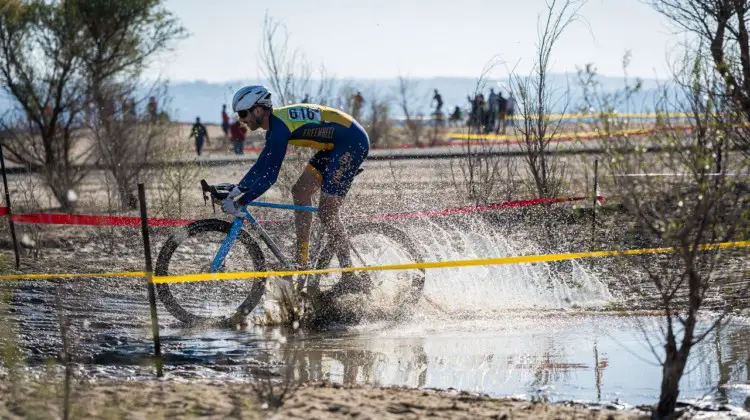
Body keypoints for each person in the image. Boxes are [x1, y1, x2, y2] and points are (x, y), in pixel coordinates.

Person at [222, 85, 370, 290]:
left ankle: (349, 273)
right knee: (300, 192)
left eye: (243, 113)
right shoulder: (275, 127)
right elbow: (261, 166)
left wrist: (241, 201)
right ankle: (303, 261)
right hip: (336, 144)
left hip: (352, 143)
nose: (241, 119)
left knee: (327, 212)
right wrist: (237, 190)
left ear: (258, 110)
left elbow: (270, 177)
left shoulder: (280, 129)